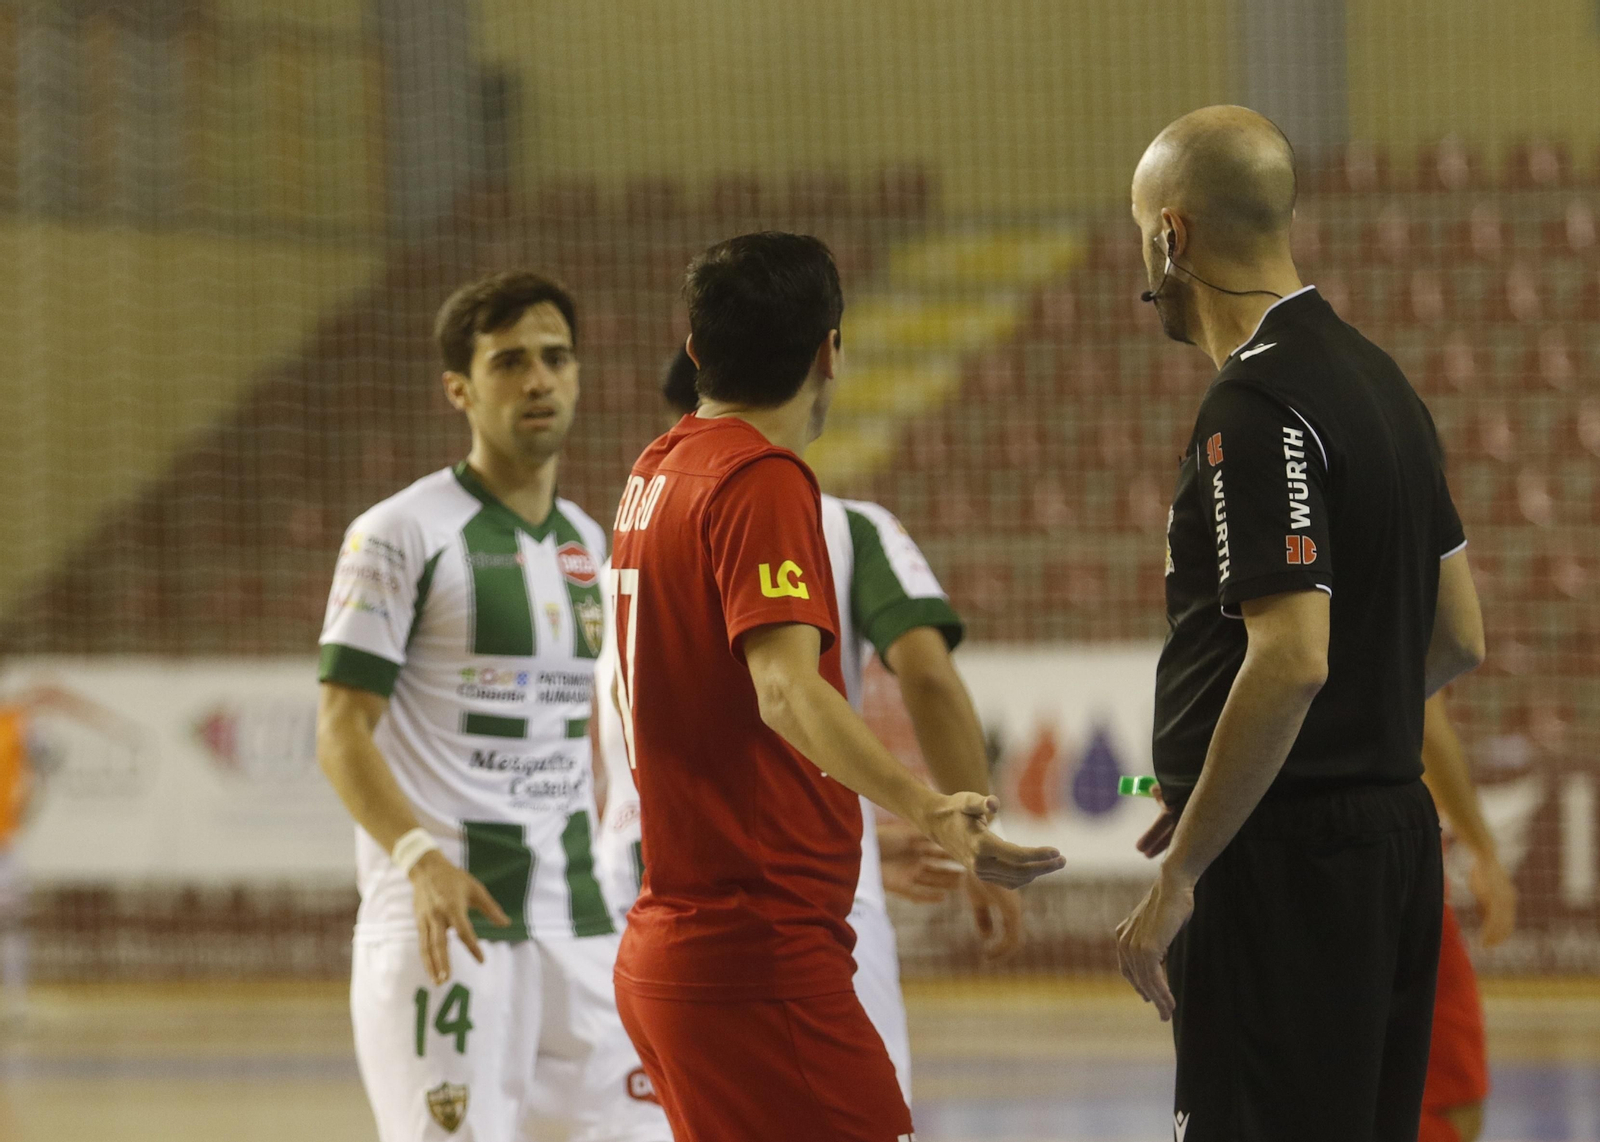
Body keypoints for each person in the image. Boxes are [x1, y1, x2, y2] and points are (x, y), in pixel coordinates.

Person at [607, 232, 1064, 1142]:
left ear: (696, 350)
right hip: (758, 955)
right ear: (829, 351)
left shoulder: (655, 472)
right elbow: (785, 692)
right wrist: (930, 809)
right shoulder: (763, 480)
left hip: (681, 935)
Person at [1113, 107, 1486, 1142]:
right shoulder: (1382, 381)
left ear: (1169, 237)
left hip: (1283, 872)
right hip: (1390, 847)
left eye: (1139, 230)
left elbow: (1290, 656)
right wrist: (1226, 783)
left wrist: (1188, 862)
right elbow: (1458, 634)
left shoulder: (1255, 400)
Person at [316, 271, 668, 1142]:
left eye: (555, 358)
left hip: (582, 916)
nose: (538, 379)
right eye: (509, 362)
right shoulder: (399, 534)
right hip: (450, 919)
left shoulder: (593, 543)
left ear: (579, 375)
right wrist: (418, 857)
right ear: (460, 390)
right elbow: (340, 730)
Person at [0, 683, 137, 1028]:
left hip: (4, 842)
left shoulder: (17, 722)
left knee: (11, 924)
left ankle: (15, 1000)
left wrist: (30, 801)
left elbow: (46, 761)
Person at [1418, 693, 1516, 1142]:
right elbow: (1425, 716)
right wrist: (1485, 852)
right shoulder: (1386, 626)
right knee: (1452, 1107)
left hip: (1266, 862)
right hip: (1381, 862)